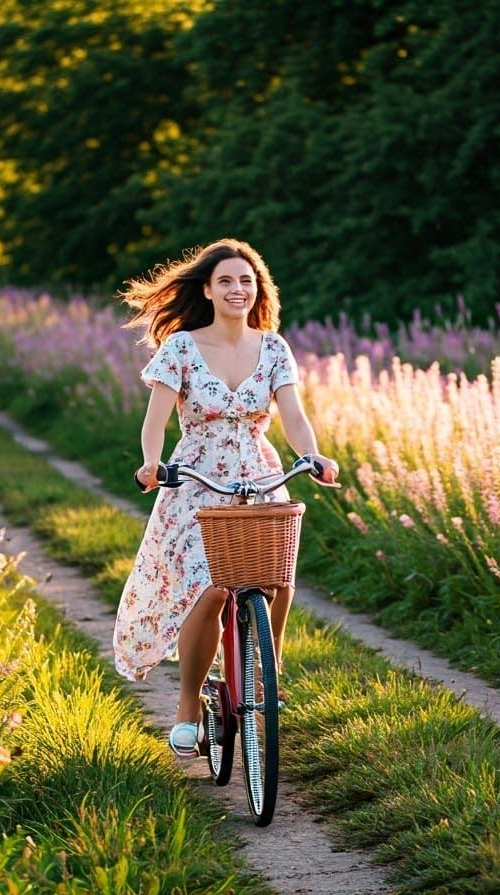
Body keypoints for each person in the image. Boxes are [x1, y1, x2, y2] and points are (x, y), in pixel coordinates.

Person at [112, 238, 339, 757]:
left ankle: (267, 672)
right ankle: (189, 703)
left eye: (246, 281)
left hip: (259, 474)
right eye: (226, 281)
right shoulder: (182, 349)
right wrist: (152, 464)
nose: (238, 289)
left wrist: (315, 455)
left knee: (276, 579)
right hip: (197, 480)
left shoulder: (273, 347)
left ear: (258, 289)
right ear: (209, 291)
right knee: (211, 589)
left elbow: (294, 417)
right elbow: (157, 422)